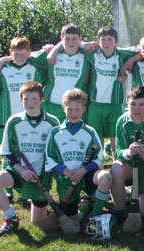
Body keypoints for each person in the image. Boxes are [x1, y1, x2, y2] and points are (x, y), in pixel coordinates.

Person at [0, 81, 60, 236]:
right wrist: (21, 170)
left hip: (39, 176)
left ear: (42, 99)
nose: (30, 103)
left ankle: (33, 199)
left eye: (34, 99)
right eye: (26, 99)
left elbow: (56, 153)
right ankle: (10, 218)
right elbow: (5, 152)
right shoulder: (13, 121)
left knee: (38, 224)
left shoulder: (52, 122)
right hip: (18, 170)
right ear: (20, 100)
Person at [0, 37, 48, 202]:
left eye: (23, 54)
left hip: (28, 117)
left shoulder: (35, 68)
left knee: (26, 150)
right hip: (6, 117)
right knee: (6, 151)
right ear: (10, 53)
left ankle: (26, 188)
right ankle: (8, 189)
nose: (19, 57)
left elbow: (47, 60)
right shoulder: (3, 69)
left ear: (28, 53)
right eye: (15, 54)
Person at [45, 88, 108, 222]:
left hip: (85, 175)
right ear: (63, 108)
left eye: (77, 109)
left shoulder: (90, 132)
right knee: (74, 220)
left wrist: (83, 170)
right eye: (70, 109)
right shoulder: (55, 133)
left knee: (106, 177)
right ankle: (85, 207)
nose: (73, 113)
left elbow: (99, 157)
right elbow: (49, 158)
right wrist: (65, 171)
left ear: (84, 109)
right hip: (66, 180)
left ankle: (95, 214)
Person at [111, 85, 144, 223]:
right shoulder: (122, 121)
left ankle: (139, 195)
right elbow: (118, 150)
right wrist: (128, 152)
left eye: (142, 104)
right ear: (127, 104)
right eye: (132, 104)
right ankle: (120, 212)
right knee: (115, 169)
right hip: (129, 166)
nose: (137, 109)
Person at [85, 26, 134, 159]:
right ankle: (98, 168)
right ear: (98, 41)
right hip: (96, 104)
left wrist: (128, 63)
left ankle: (115, 166)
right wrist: (91, 44)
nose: (106, 42)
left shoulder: (122, 54)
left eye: (110, 39)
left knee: (115, 139)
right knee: (97, 139)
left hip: (115, 104)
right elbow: (76, 46)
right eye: (103, 39)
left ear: (116, 41)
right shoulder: (93, 53)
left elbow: (142, 52)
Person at [42, 23, 92, 122]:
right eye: (67, 39)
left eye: (74, 38)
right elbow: (24, 57)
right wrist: (4, 60)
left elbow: (104, 47)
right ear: (61, 38)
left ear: (80, 38)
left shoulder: (87, 55)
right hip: (51, 107)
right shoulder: (51, 53)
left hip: (76, 110)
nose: (70, 42)